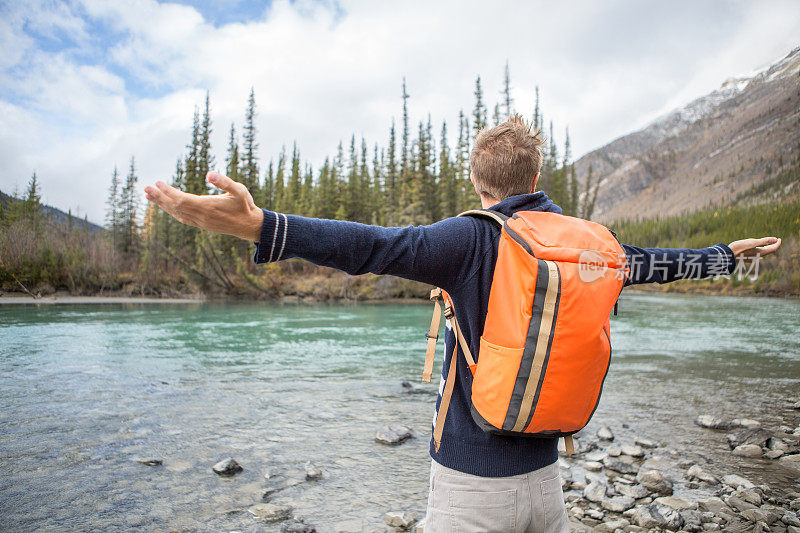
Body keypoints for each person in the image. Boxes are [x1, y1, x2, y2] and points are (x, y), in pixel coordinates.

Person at [145, 116, 781, 532]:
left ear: (479, 184)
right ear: (536, 180)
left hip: (470, 485)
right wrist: (724, 256)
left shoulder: (470, 240)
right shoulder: (594, 245)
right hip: (546, 484)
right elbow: (648, 265)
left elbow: (370, 246)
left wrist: (263, 226)